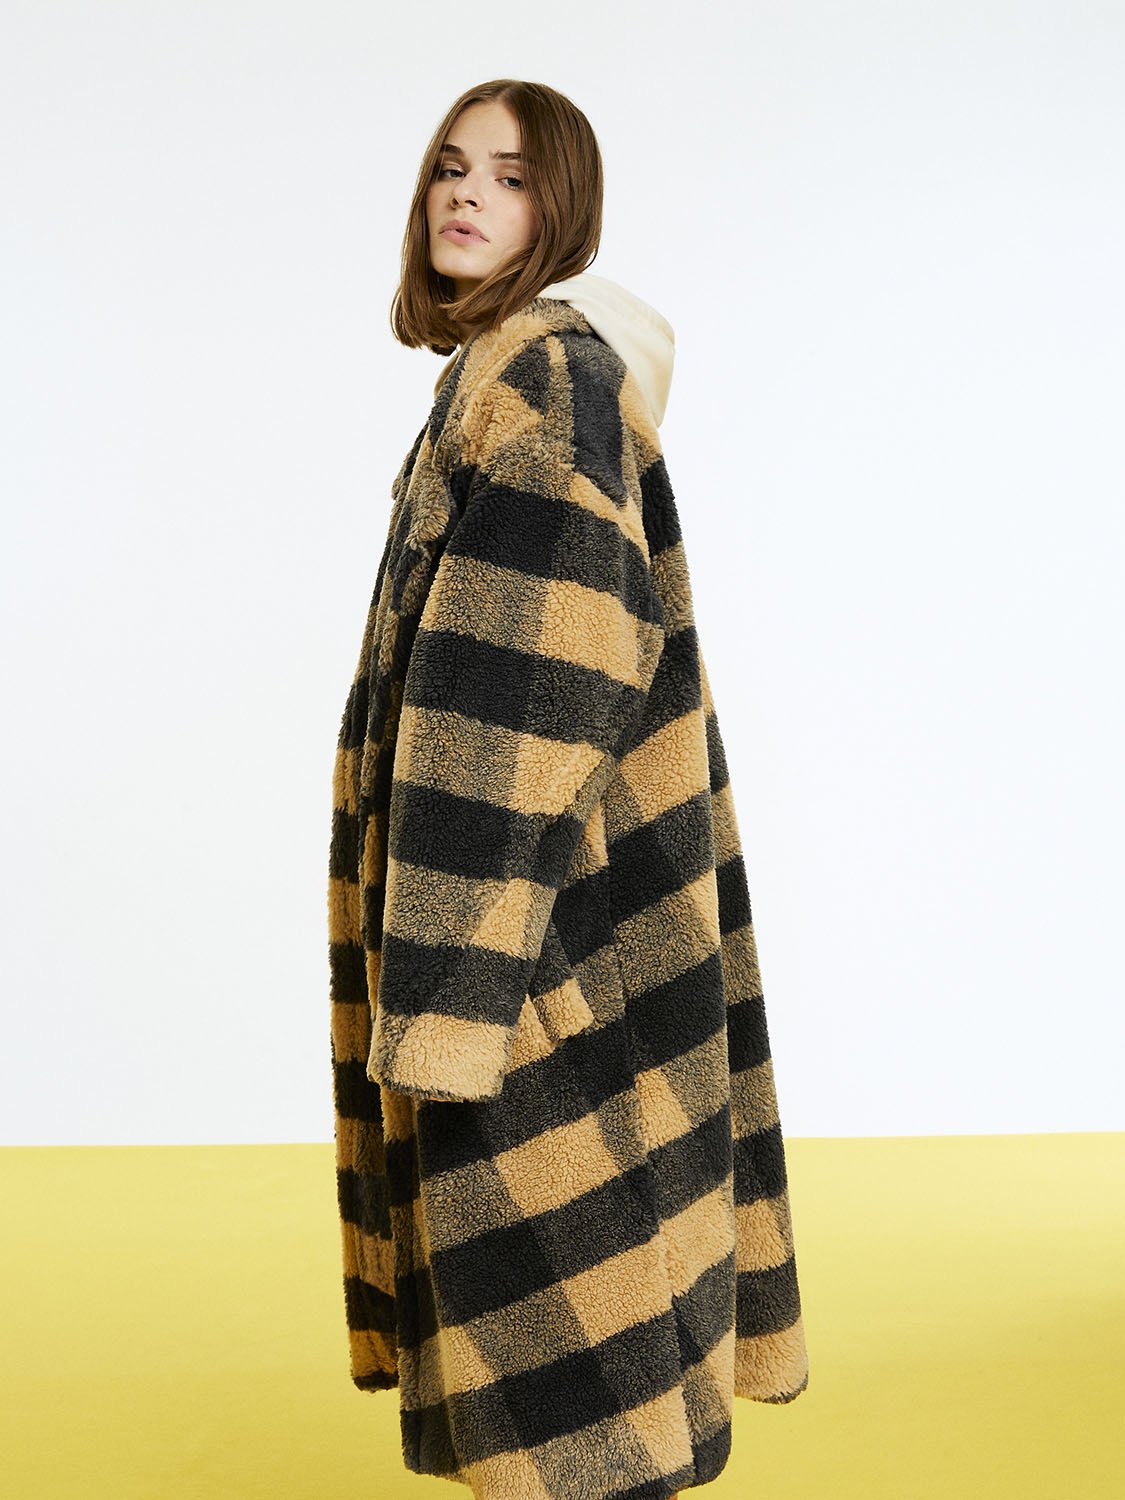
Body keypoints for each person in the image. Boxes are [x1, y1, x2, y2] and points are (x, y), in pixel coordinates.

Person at [327, 78, 808, 1500]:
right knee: (584, 1338)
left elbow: (527, 698)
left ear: (566, 209)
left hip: (523, 953)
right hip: (534, 934)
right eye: (450, 168)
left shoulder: (540, 384)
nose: (467, 195)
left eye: (512, 176)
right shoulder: (511, 378)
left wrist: (454, 997)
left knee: (568, 1370)